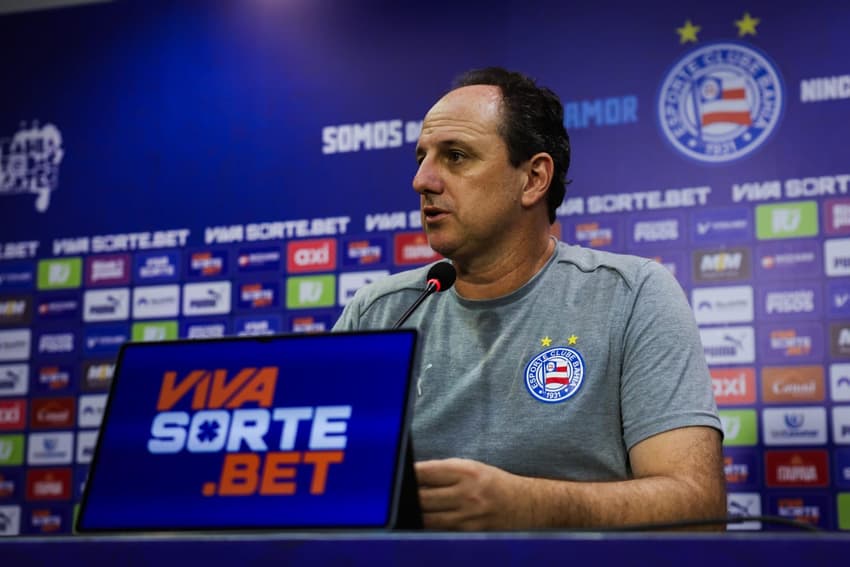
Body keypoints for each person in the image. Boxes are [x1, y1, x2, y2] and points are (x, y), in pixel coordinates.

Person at [333, 67, 726, 531]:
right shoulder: (382, 311)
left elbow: (698, 508)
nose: (422, 180)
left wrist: (532, 506)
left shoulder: (632, 295)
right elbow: (311, 488)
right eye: (422, 158)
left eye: (455, 156)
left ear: (534, 179)